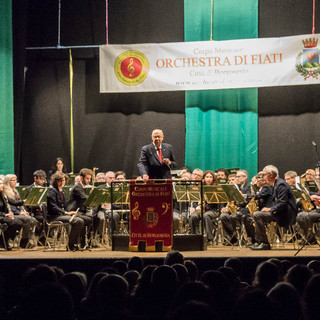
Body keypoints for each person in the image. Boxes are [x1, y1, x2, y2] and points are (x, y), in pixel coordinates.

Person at [250, 165, 297, 250]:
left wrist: (270, 209)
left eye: (264, 175)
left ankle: (264, 243)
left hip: (285, 214)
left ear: (271, 175)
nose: (263, 177)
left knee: (257, 215)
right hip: (281, 212)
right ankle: (260, 241)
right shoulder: (276, 184)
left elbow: (283, 203)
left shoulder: (281, 185)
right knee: (257, 214)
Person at [46, 172, 84, 251]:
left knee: (80, 219)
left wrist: (71, 212)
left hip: (61, 215)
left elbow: (64, 206)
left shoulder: (62, 191)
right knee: (78, 221)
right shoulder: (52, 191)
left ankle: (74, 243)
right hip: (54, 216)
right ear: (55, 181)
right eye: (60, 181)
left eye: (63, 180)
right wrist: (66, 213)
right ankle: (71, 244)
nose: (62, 182)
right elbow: (54, 207)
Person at [3, 174, 37, 248]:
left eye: (16, 180)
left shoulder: (16, 191)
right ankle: (24, 241)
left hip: (18, 212)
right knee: (28, 219)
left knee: (33, 220)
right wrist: (19, 212)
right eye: (13, 180)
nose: (15, 182)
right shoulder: (5, 192)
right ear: (8, 181)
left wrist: (23, 211)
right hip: (12, 213)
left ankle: (27, 238)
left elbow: (19, 204)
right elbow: (10, 205)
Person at [220, 169, 251, 245]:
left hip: (245, 209)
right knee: (223, 216)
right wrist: (225, 208)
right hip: (236, 209)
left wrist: (242, 197)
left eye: (238, 177)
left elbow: (249, 200)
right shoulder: (239, 187)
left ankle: (240, 238)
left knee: (234, 216)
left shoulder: (249, 186)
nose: (237, 179)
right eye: (236, 177)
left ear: (245, 177)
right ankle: (232, 238)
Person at [67, 168, 94, 249]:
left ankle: (85, 242)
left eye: (90, 178)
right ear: (81, 178)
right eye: (87, 178)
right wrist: (93, 195)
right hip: (73, 211)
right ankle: (81, 242)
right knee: (89, 219)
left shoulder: (84, 187)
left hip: (81, 212)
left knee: (93, 218)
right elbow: (84, 198)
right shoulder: (77, 187)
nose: (89, 180)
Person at [0, 178, 23, 250]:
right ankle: (3, 241)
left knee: (19, 222)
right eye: (0, 184)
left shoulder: (3, 195)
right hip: (1, 216)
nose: (2, 186)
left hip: (3, 216)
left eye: (2, 184)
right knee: (14, 222)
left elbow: (13, 202)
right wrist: (5, 215)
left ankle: (3, 240)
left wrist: (25, 201)